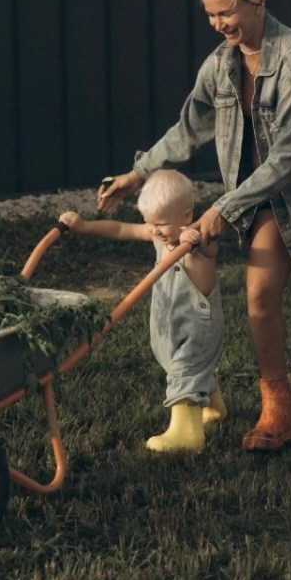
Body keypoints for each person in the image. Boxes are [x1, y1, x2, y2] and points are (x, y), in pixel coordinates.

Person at [97, 0, 291, 455]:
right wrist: (139, 171)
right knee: (260, 301)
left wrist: (224, 207)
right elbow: (190, 126)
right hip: (269, 194)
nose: (218, 25)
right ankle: (278, 409)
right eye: (209, 17)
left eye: (224, 14)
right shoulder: (221, 63)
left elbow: (289, 158)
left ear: (253, 1)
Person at [58, 168, 225, 454]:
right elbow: (122, 229)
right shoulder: (161, 235)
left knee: (185, 368)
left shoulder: (197, 245)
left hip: (197, 328)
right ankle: (213, 406)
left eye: (160, 223)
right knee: (175, 361)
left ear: (186, 217)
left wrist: (198, 240)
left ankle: (187, 434)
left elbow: (210, 251)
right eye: (150, 224)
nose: (155, 231)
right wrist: (84, 226)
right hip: (171, 321)